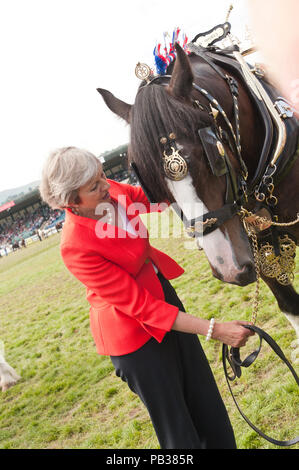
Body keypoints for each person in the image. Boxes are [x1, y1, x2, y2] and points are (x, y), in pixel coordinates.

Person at [40, 146, 254, 449]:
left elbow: (153, 198)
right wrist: (215, 329)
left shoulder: (110, 190)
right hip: (134, 336)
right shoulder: (75, 246)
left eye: (102, 175)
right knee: (180, 433)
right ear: (71, 202)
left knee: (209, 408)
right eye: (94, 186)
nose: (105, 185)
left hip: (164, 298)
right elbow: (141, 308)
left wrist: (177, 170)